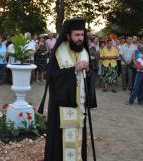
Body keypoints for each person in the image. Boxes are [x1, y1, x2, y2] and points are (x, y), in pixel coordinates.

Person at [42, 18, 97, 161]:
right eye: (76, 35)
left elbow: (89, 76)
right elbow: (52, 77)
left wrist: (89, 73)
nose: (80, 38)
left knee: (79, 140)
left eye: (82, 35)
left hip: (80, 108)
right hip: (62, 107)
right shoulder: (59, 52)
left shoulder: (84, 52)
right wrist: (74, 70)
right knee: (60, 144)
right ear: (68, 35)